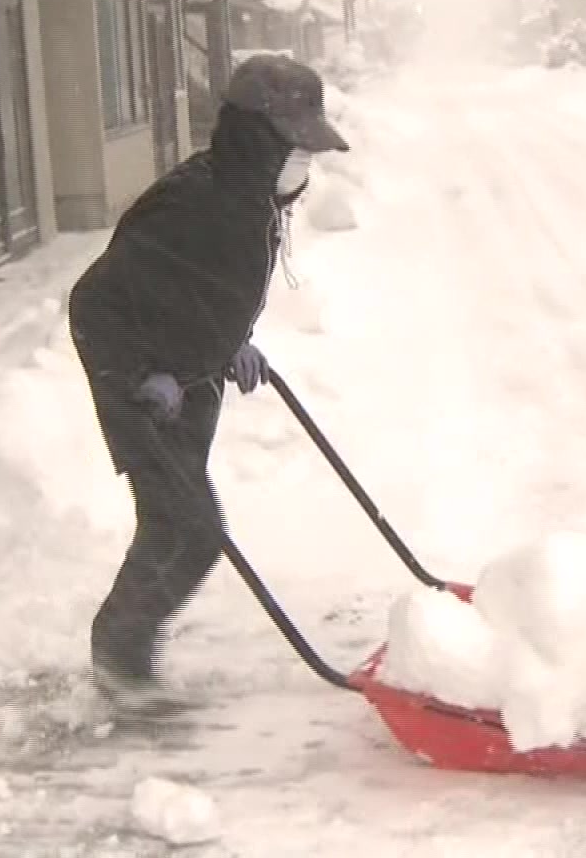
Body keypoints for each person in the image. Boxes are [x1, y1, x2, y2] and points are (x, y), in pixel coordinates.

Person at [67, 53, 349, 715]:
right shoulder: (202, 203)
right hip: (134, 371)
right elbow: (105, 299)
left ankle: (123, 651)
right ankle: (118, 659)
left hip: (185, 365)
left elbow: (193, 290)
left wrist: (227, 347)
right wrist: (143, 376)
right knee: (191, 527)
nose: (305, 166)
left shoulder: (248, 198)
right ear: (260, 138)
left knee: (174, 517)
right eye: (297, 148)